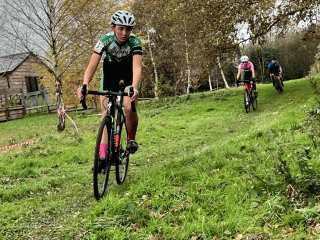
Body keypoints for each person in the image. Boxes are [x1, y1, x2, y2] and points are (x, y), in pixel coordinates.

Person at [77, 10, 142, 157]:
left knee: (128, 106)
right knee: (106, 112)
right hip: (110, 73)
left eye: (128, 29)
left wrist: (134, 87)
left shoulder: (135, 42)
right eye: (120, 28)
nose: (124, 33)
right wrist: (85, 84)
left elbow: (137, 67)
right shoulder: (104, 40)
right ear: (113, 28)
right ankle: (102, 155)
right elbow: (92, 65)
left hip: (128, 73)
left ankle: (131, 139)